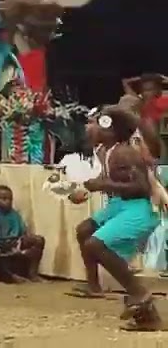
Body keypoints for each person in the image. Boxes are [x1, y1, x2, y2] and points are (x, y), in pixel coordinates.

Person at [70, 105, 163, 330]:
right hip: (121, 205)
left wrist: (102, 185)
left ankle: (139, 294)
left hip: (139, 208)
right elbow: (112, 182)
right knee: (85, 231)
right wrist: (86, 190)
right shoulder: (106, 150)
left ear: (110, 130)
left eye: (94, 123)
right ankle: (96, 287)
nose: (88, 128)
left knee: (94, 244)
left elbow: (141, 187)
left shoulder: (124, 153)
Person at [0, 185, 44, 283]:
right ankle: (8, 277)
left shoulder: (15, 214)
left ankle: (33, 274)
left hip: (14, 242)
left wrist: (22, 245)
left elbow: (22, 231)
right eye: (3, 198)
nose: (7, 201)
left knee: (38, 240)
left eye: (10, 199)